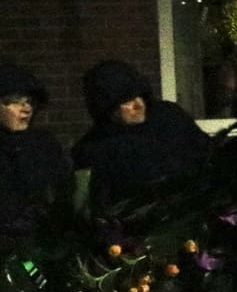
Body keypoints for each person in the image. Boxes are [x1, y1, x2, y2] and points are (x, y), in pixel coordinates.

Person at [71, 60, 211, 209]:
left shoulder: (170, 117)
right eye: (127, 101)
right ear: (108, 108)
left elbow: (206, 153)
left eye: (140, 96)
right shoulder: (94, 149)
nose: (138, 105)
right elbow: (94, 204)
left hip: (194, 209)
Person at [0, 60, 71, 243]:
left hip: (45, 241)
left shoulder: (44, 144)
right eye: (15, 102)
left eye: (30, 102)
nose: (26, 109)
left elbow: (63, 189)